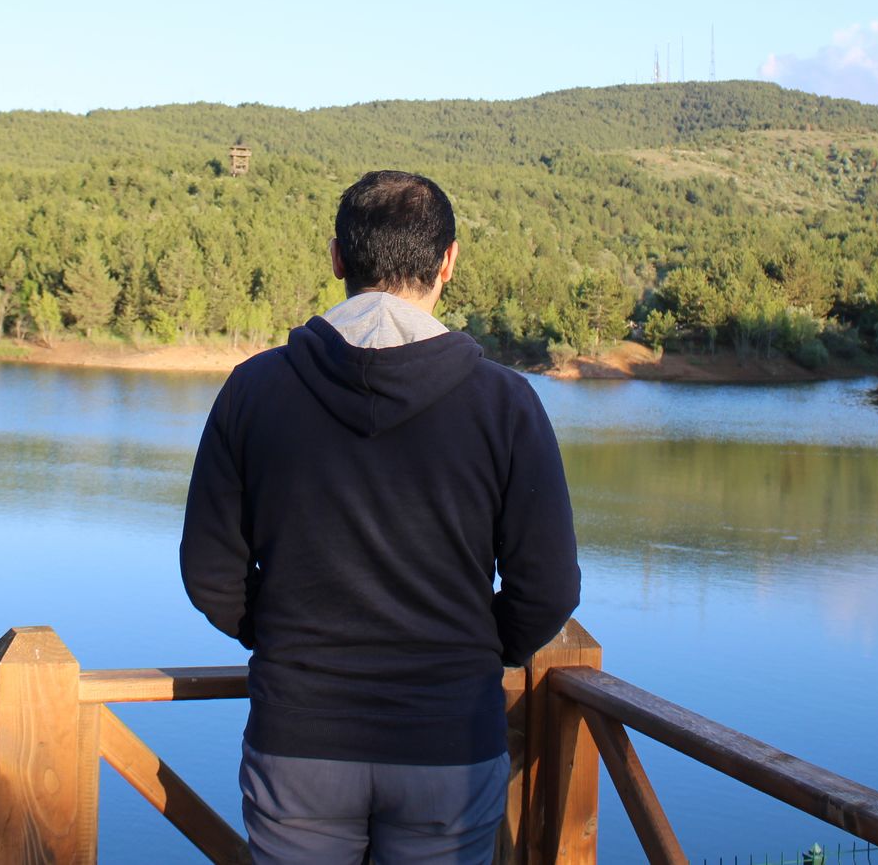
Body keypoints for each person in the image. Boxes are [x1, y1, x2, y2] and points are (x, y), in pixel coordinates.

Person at [180, 169, 581, 864]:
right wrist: (474, 650)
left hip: (299, 737)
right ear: (449, 260)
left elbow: (210, 574)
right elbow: (546, 589)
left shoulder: (256, 389)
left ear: (337, 256)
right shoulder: (505, 404)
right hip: (449, 742)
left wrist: (285, 633)